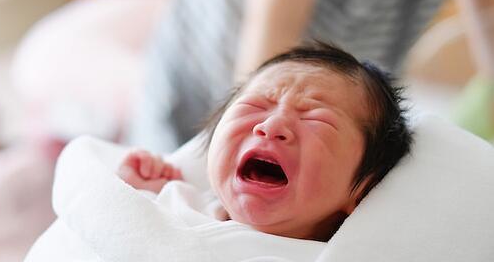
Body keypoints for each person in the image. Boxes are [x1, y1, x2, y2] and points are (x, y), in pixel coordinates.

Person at [126, 0, 493, 152]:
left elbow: (488, 13)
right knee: (174, 183)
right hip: (231, 64)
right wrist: (240, 145)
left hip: (347, 67)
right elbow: (272, 29)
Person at [118, 43, 412, 241]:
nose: (271, 126)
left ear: (363, 189)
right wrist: (141, 191)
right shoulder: (185, 202)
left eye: (316, 119)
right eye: (256, 105)